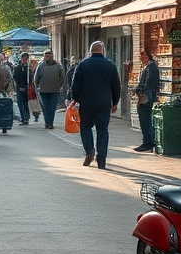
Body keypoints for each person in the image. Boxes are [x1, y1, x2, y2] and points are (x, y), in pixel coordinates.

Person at [70, 41, 121, 169]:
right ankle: (102, 159)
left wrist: (74, 99)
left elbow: (75, 84)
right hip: (104, 103)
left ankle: (89, 151)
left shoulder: (83, 65)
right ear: (103, 51)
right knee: (102, 129)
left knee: (85, 126)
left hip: (86, 102)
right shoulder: (110, 66)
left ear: (90, 51)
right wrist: (115, 102)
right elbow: (116, 86)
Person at [132, 49, 161, 151]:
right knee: (146, 119)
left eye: (145, 57)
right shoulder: (150, 67)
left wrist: (138, 92)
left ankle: (147, 142)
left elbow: (146, 84)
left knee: (145, 120)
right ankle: (147, 142)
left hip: (146, 96)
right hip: (148, 95)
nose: (143, 59)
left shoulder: (150, 67)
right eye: (142, 57)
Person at [33, 50, 65, 129]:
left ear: (51, 57)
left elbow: (62, 77)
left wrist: (58, 85)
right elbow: (36, 78)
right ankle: (48, 122)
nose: (45, 58)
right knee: (47, 107)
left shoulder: (58, 66)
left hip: (54, 90)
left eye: (47, 56)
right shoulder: (41, 66)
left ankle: (49, 122)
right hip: (43, 90)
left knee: (51, 107)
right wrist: (37, 86)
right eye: (45, 56)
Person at [13, 52, 31, 125]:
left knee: (26, 103)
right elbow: (15, 78)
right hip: (19, 88)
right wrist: (19, 87)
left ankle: (26, 118)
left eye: (26, 59)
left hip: (27, 88)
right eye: (23, 59)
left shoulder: (29, 68)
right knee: (21, 104)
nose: (25, 60)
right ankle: (23, 118)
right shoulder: (17, 67)